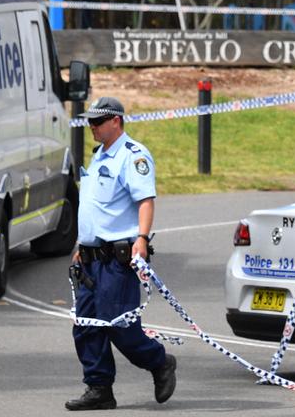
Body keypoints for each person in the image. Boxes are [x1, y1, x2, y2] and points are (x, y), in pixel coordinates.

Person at [66, 96, 176, 411]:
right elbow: (95, 209)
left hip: (117, 260)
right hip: (90, 258)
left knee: (118, 325)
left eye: (98, 122)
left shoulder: (133, 156)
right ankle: (99, 387)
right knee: (86, 325)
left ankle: (160, 362)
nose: (92, 127)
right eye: (90, 122)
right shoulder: (99, 156)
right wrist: (81, 246)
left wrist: (141, 238)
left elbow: (145, 200)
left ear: (116, 121)